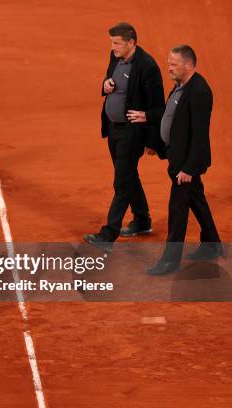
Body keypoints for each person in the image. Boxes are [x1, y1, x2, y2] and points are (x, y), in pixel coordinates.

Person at [140, 45, 222, 275]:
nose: (169, 68)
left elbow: (199, 134)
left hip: (186, 163)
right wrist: (157, 144)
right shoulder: (180, 86)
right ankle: (212, 245)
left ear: (188, 65)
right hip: (177, 156)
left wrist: (188, 169)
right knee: (196, 199)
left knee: (177, 209)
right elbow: (171, 119)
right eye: (169, 63)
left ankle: (170, 261)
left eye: (173, 64)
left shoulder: (199, 92)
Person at [84, 22, 165, 252]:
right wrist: (105, 85)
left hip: (132, 133)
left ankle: (108, 235)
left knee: (122, 182)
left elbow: (158, 106)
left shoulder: (147, 66)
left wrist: (151, 140)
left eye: (117, 43)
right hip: (113, 129)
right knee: (128, 176)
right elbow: (111, 79)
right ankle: (142, 220)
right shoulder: (115, 56)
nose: (113, 47)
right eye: (112, 42)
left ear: (131, 42)